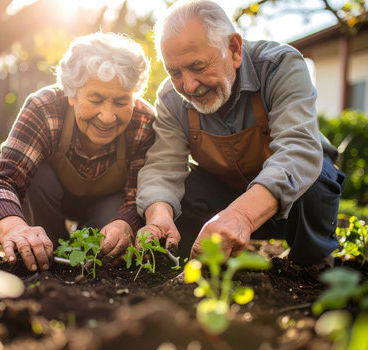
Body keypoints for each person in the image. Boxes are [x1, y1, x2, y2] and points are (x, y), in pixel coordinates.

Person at [136, 0, 345, 267]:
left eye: (198, 66)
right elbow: (162, 167)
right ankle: (209, 260)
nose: (188, 86)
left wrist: (243, 215)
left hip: (294, 209)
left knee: (315, 172)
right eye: (174, 72)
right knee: (180, 191)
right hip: (225, 206)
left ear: (233, 49)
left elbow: (298, 150)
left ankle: (310, 262)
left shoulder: (279, 66)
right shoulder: (170, 98)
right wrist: (159, 215)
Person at [0, 32, 155, 272]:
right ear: (71, 94)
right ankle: (45, 245)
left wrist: (125, 223)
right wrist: (14, 228)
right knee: (38, 176)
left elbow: (140, 195)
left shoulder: (144, 121)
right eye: (96, 99)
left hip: (108, 208)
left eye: (121, 102)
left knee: (105, 255)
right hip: (50, 200)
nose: (107, 116)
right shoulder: (45, 107)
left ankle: (91, 246)